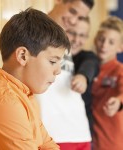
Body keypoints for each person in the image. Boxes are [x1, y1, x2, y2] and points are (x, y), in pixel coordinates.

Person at [0, 8, 71, 150]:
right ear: (23, 56)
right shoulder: (5, 102)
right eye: (52, 61)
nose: (58, 71)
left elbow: (48, 145)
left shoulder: (23, 95)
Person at [36, 0, 95, 150]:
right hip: (54, 135)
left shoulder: (63, 36)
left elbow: (90, 59)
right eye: (73, 11)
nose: (74, 21)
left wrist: (84, 75)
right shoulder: (34, 30)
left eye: (80, 17)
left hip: (81, 132)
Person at [92, 16, 123, 150]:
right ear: (95, 40)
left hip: (111, 143)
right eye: (101, 39)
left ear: (120, 47)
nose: (104, 45)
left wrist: (118, 102)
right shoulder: (87, 67)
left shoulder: (119, 70)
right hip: (87, 140)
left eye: (111, 42)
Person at [66, 17, 99, 136]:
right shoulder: (55, 57)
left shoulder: (88, 56)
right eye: (72, 33)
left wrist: (82, 77)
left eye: (82, 35)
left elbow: (90, 65)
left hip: (81, 130)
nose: (76, 40)